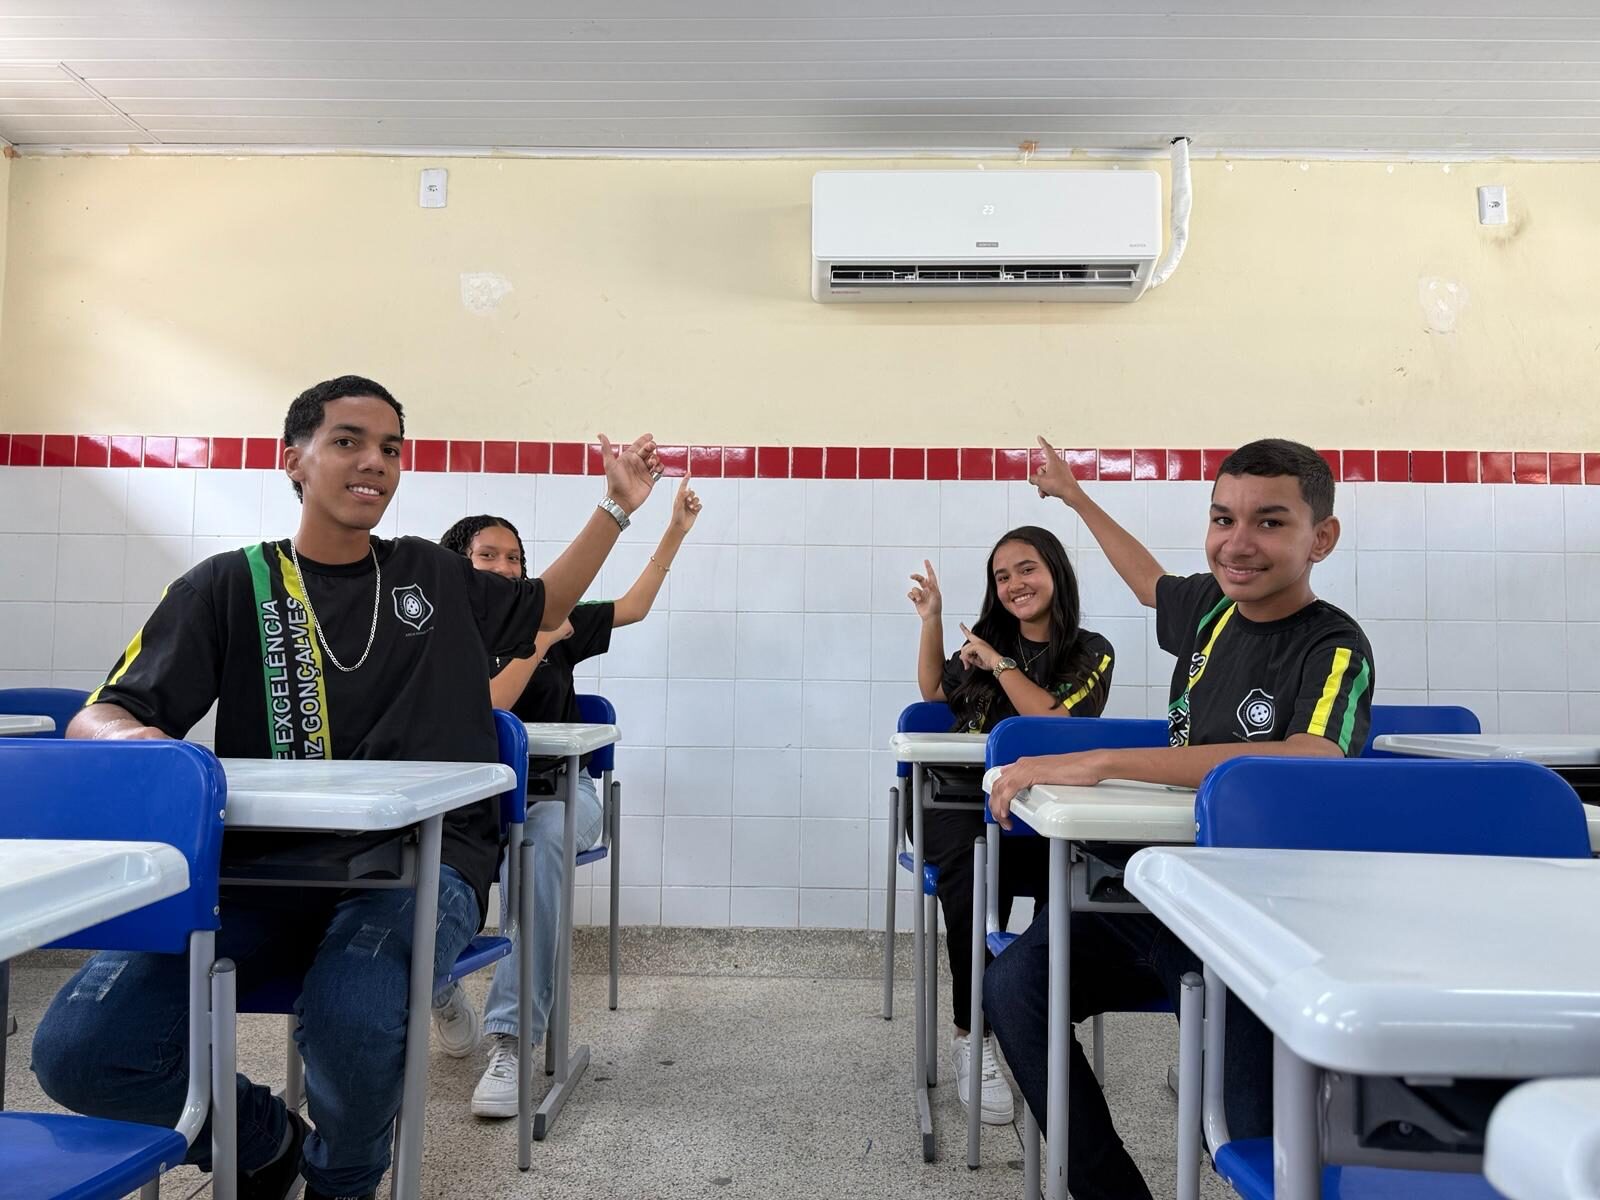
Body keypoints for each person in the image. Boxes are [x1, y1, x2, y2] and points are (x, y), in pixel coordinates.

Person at [30, 374, 663, 1200]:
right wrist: (139, 743)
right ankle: (266, 1145)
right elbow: (104, 712)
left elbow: (545, 605)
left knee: (349, 1015)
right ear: (292, 460)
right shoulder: (229, 586)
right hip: (257, 875)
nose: (374, 462)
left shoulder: (432, 574)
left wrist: (615, 508)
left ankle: (342, 1182)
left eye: (390, 448)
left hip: (419, 866)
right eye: (347, 442)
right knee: (80, 1049)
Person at [983, 436, 1375, 1200]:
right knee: (1015, 989)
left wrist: (1104, 760)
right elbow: (1149, 582)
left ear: (1320, 538)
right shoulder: (1212, 612)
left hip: (1255, 921)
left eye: (1269, 522)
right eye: (1222, 519)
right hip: (1160, 897)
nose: (1238, 542)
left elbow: (1313, 757)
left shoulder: (1333, 645)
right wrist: (1073, 494)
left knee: (1241, 1131)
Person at [430, 473, 702, 1118]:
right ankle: (435, 985)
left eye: (514, 557)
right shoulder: (439, 632)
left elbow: (632, 606)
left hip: (558, 793)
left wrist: (673, 532)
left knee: (538, 843)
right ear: (459, 567)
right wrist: (537, 641)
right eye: (488, 556)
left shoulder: (554, 615)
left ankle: (511, 1038)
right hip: (467, 801)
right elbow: (487, 708)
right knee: (420, 855)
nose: (505, 567)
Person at [906, 525, 1114, 1126]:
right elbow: (932, 691)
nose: (1014, 584)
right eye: (1002, 577)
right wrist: (933, 619)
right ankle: (972, 1035)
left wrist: (997, 665)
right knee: (975, 871)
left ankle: (1036, 1017)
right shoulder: (987, 638)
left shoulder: (1090, 651)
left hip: (1041, 806)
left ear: (1055, 573)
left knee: (1070, 871)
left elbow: (1054, 721)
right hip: (956, 801)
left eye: (1026, 569)